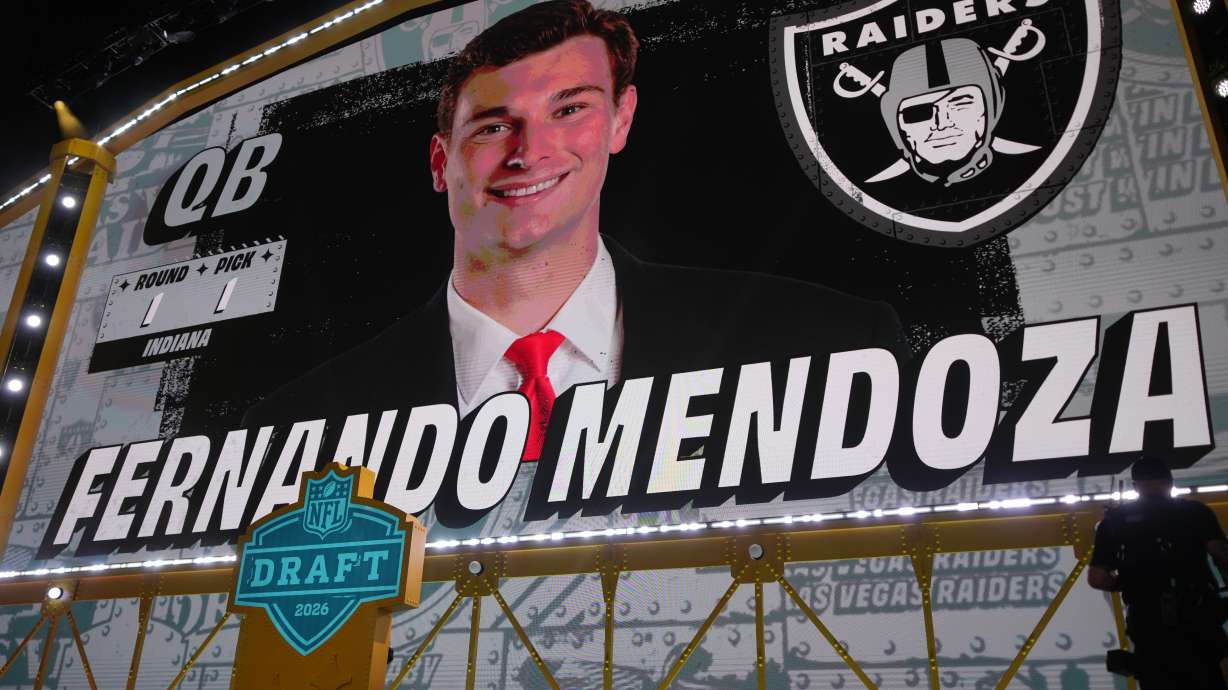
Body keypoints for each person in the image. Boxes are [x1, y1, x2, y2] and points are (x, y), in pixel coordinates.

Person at [244, 0, 907, 461]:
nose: (530, 152)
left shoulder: (832, 346)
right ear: (441, 162)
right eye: (495, 125)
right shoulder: (292, 425)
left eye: (569, 110)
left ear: (621, 120)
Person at [1087, 457, 1228, 688]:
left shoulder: (1112, 522)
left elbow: (1097, 578)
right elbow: (1221, 553)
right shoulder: (1194, 511)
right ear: (1170, 482)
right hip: (1197, 617)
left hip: (1147, 624)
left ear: (1135, 486)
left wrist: (1129, 582)